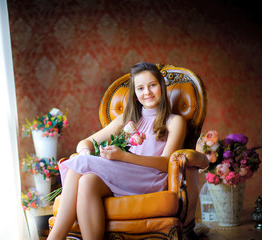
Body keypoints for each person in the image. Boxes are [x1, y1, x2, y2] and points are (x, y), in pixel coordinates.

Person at [47, 62, 187, 240]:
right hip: (126, 176)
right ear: (135, 94)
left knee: (79, 167)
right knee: (87, 181)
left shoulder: (174, 121)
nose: (147, 92)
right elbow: (86, 142)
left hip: (151, 179)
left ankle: (54, 238)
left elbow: (165, 162)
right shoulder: (128, 119)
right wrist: (84, 152)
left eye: (152, 85)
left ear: (161, 86)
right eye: (140, 88)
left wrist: (124, 157)